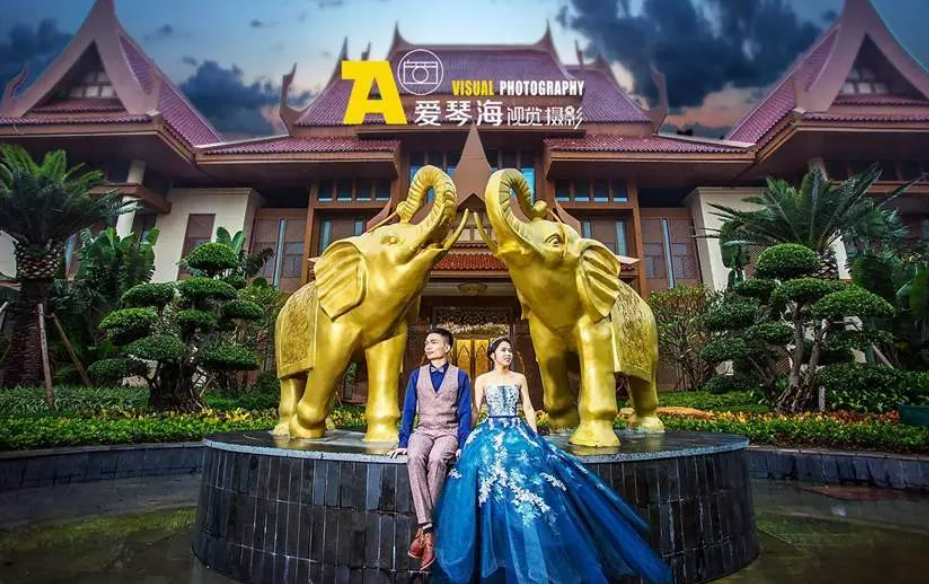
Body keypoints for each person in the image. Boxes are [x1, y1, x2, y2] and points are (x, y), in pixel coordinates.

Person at [431, 337, 672, 584]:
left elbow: (527, 408)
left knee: (530, 464)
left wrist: (534, 436)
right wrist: (465, 438)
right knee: (482, 466)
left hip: (515, 428)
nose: (508, 354)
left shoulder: (519, 378)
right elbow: (475, 409)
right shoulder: (482, 380)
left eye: (510, 350)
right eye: (503, 350)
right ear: (492, 354)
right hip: (490, 429)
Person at [387, 327, 472, 570]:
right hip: (423, 431)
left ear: (447, 347)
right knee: (414, 456)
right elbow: (408, 410)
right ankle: (429, 529)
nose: (428, 346)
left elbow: (464, 412)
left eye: (433, 342)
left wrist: (462, 443)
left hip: (448, 432)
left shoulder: (460, 376)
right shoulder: (417, 375)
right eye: (426, 343)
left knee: (436, 459)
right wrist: (403, 442)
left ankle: (422, 532)